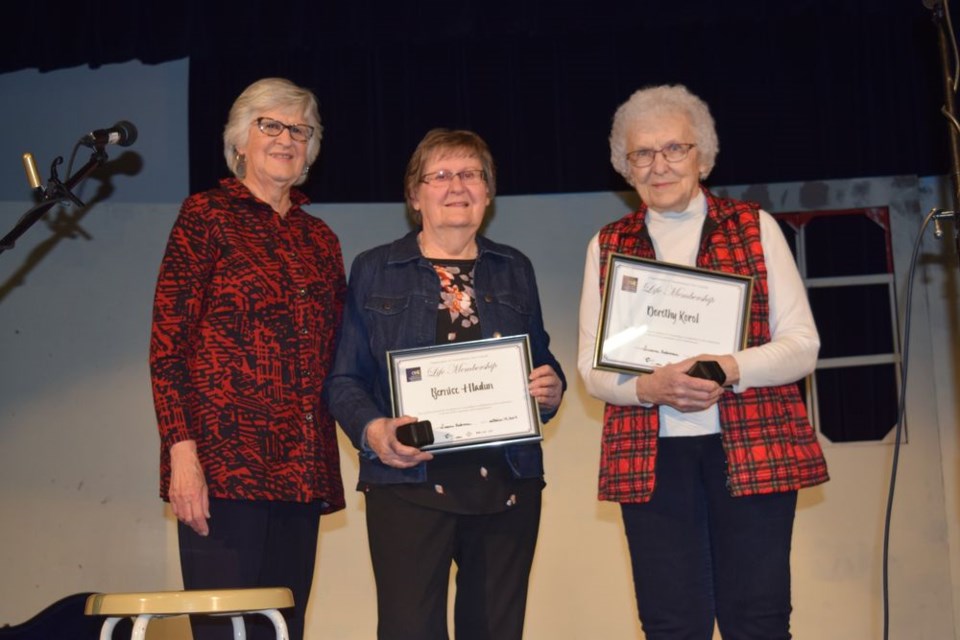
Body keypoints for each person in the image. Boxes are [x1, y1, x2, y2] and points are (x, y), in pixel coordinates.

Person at [577, 84, 829, 639]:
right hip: (652, 458)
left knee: (758, 621)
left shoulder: (754, 227)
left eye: (674, 149)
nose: (659, 165)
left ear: (703, 157)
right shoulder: (607, 244)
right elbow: (593, 371)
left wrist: (728, 368)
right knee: (670, 625)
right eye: (642, 153)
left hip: (753, 447)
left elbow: (802, 344)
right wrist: (652, 388)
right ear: (625, 165)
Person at [325, 128, 566, 640]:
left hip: (506, 484)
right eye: (441, 175)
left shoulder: (514, 269)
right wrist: (374, 432)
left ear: (488, 192)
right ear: (415, 196)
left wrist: (552, 388)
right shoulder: (376, 269)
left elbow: (541, 361)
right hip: (409, 484)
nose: (458, 186)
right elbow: (344, 380)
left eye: (471, 174)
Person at [149, 77, 345, 640]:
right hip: (222, 468)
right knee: (223, 632)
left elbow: (341, 352)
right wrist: (181, 454)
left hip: (301, 470)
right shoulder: (204, 217)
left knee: (284, 630)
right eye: (271, 125)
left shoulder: (320, 240)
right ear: (241, 140)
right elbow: (168, 347)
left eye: (300, 129)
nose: (287, 138)